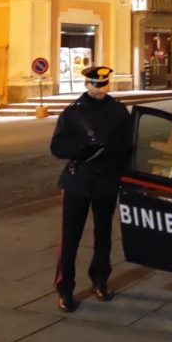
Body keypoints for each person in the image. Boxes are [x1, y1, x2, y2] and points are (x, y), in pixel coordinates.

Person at [51, 65, 133, 312]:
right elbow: (57, 146)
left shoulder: (119, 112)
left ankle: (100, 281)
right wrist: (82, 149)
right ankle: (65, 289)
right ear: (86, 85)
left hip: (106, 181)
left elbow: (129, 146)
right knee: (70, 238)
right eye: (96, 85)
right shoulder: (72, 114)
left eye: (104, 84)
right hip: (78, 180)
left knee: (103, 235)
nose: (101, 89)